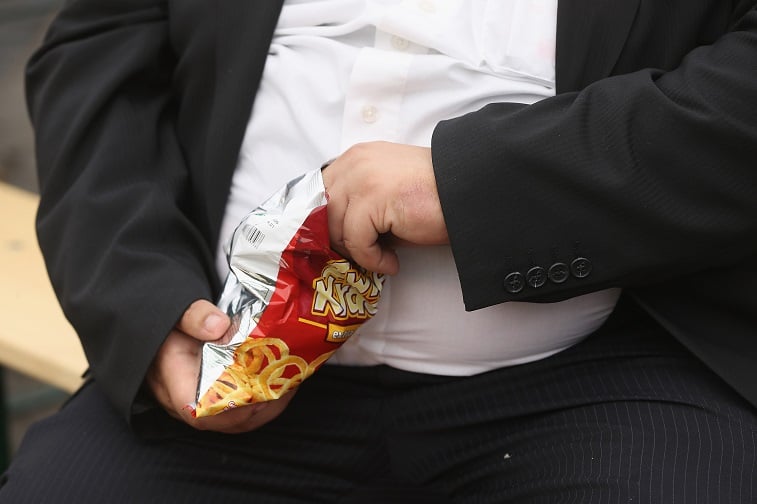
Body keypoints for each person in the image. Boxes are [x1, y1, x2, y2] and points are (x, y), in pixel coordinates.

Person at [2, 0, 757, 502]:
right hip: (230, 354)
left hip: (608, 365)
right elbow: (99, 48)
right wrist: (144, 304)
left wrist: (470, 184)